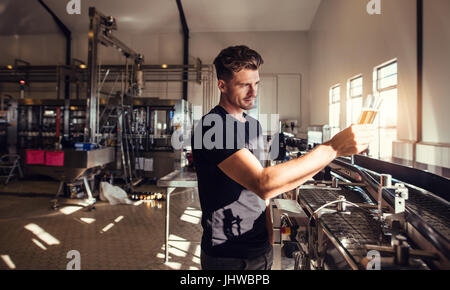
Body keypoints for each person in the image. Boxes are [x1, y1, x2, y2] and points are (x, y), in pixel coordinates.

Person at [191, 45, 375, 270]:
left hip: (260, 247)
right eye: (244, 85)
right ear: (222, 85)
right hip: (228, 254)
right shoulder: (212, 127)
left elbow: (262, 190)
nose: (253, 92)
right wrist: (333, 147)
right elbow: (263, 182)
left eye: (256, 83)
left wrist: (269, 229)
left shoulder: (253, 126)